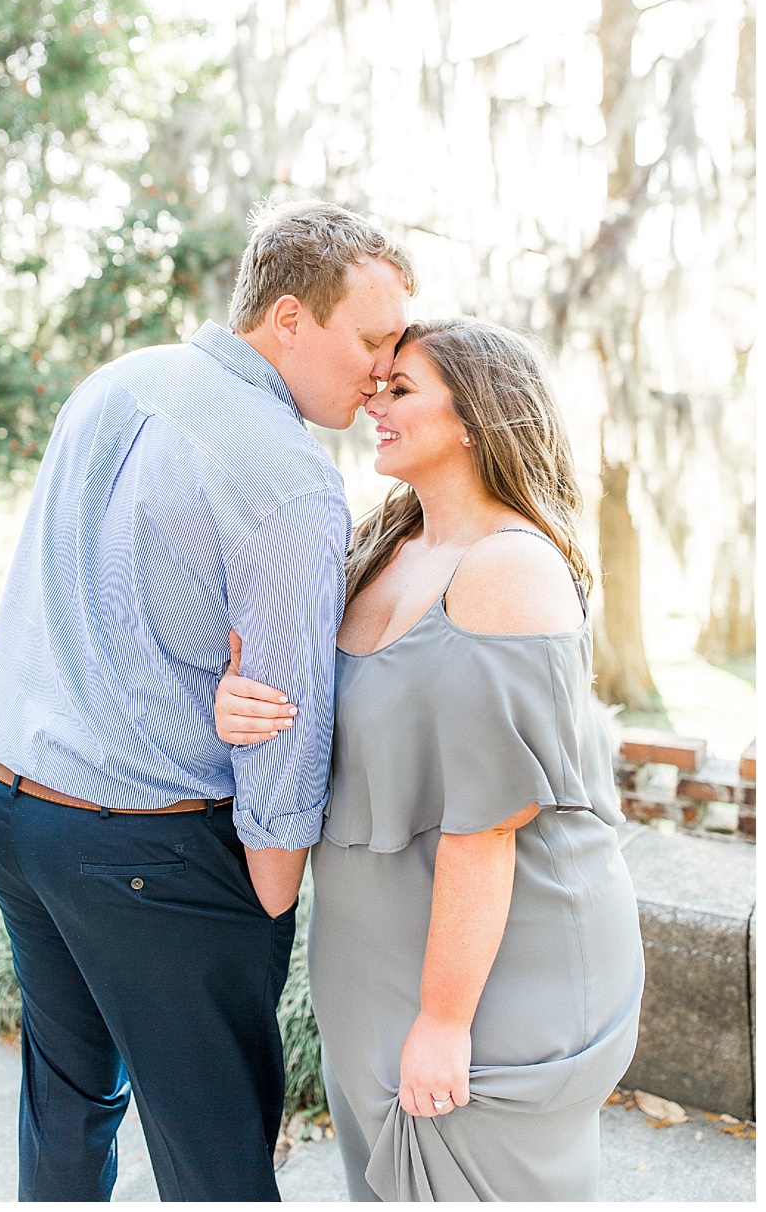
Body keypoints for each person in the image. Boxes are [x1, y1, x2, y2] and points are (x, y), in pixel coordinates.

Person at [0, 200, 413, 1200]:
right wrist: (269, 892)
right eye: (372, 338)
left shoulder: (119, 381)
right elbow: (287, 728)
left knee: (67, 1106)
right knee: (219, 1160)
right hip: (147, 856)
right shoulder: (291, 478)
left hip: (4, 808)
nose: (384, 368)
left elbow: (79, 604)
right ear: (288, 319)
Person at [215, 318, 644, 1200]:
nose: (374, 398)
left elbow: (486, 825)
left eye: (401, 388)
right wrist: (237, 701)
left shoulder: (509, 570)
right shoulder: (383, 548)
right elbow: (316, 712)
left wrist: (445, 1023)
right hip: (371, 958)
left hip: (498, 977)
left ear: (476, 420)